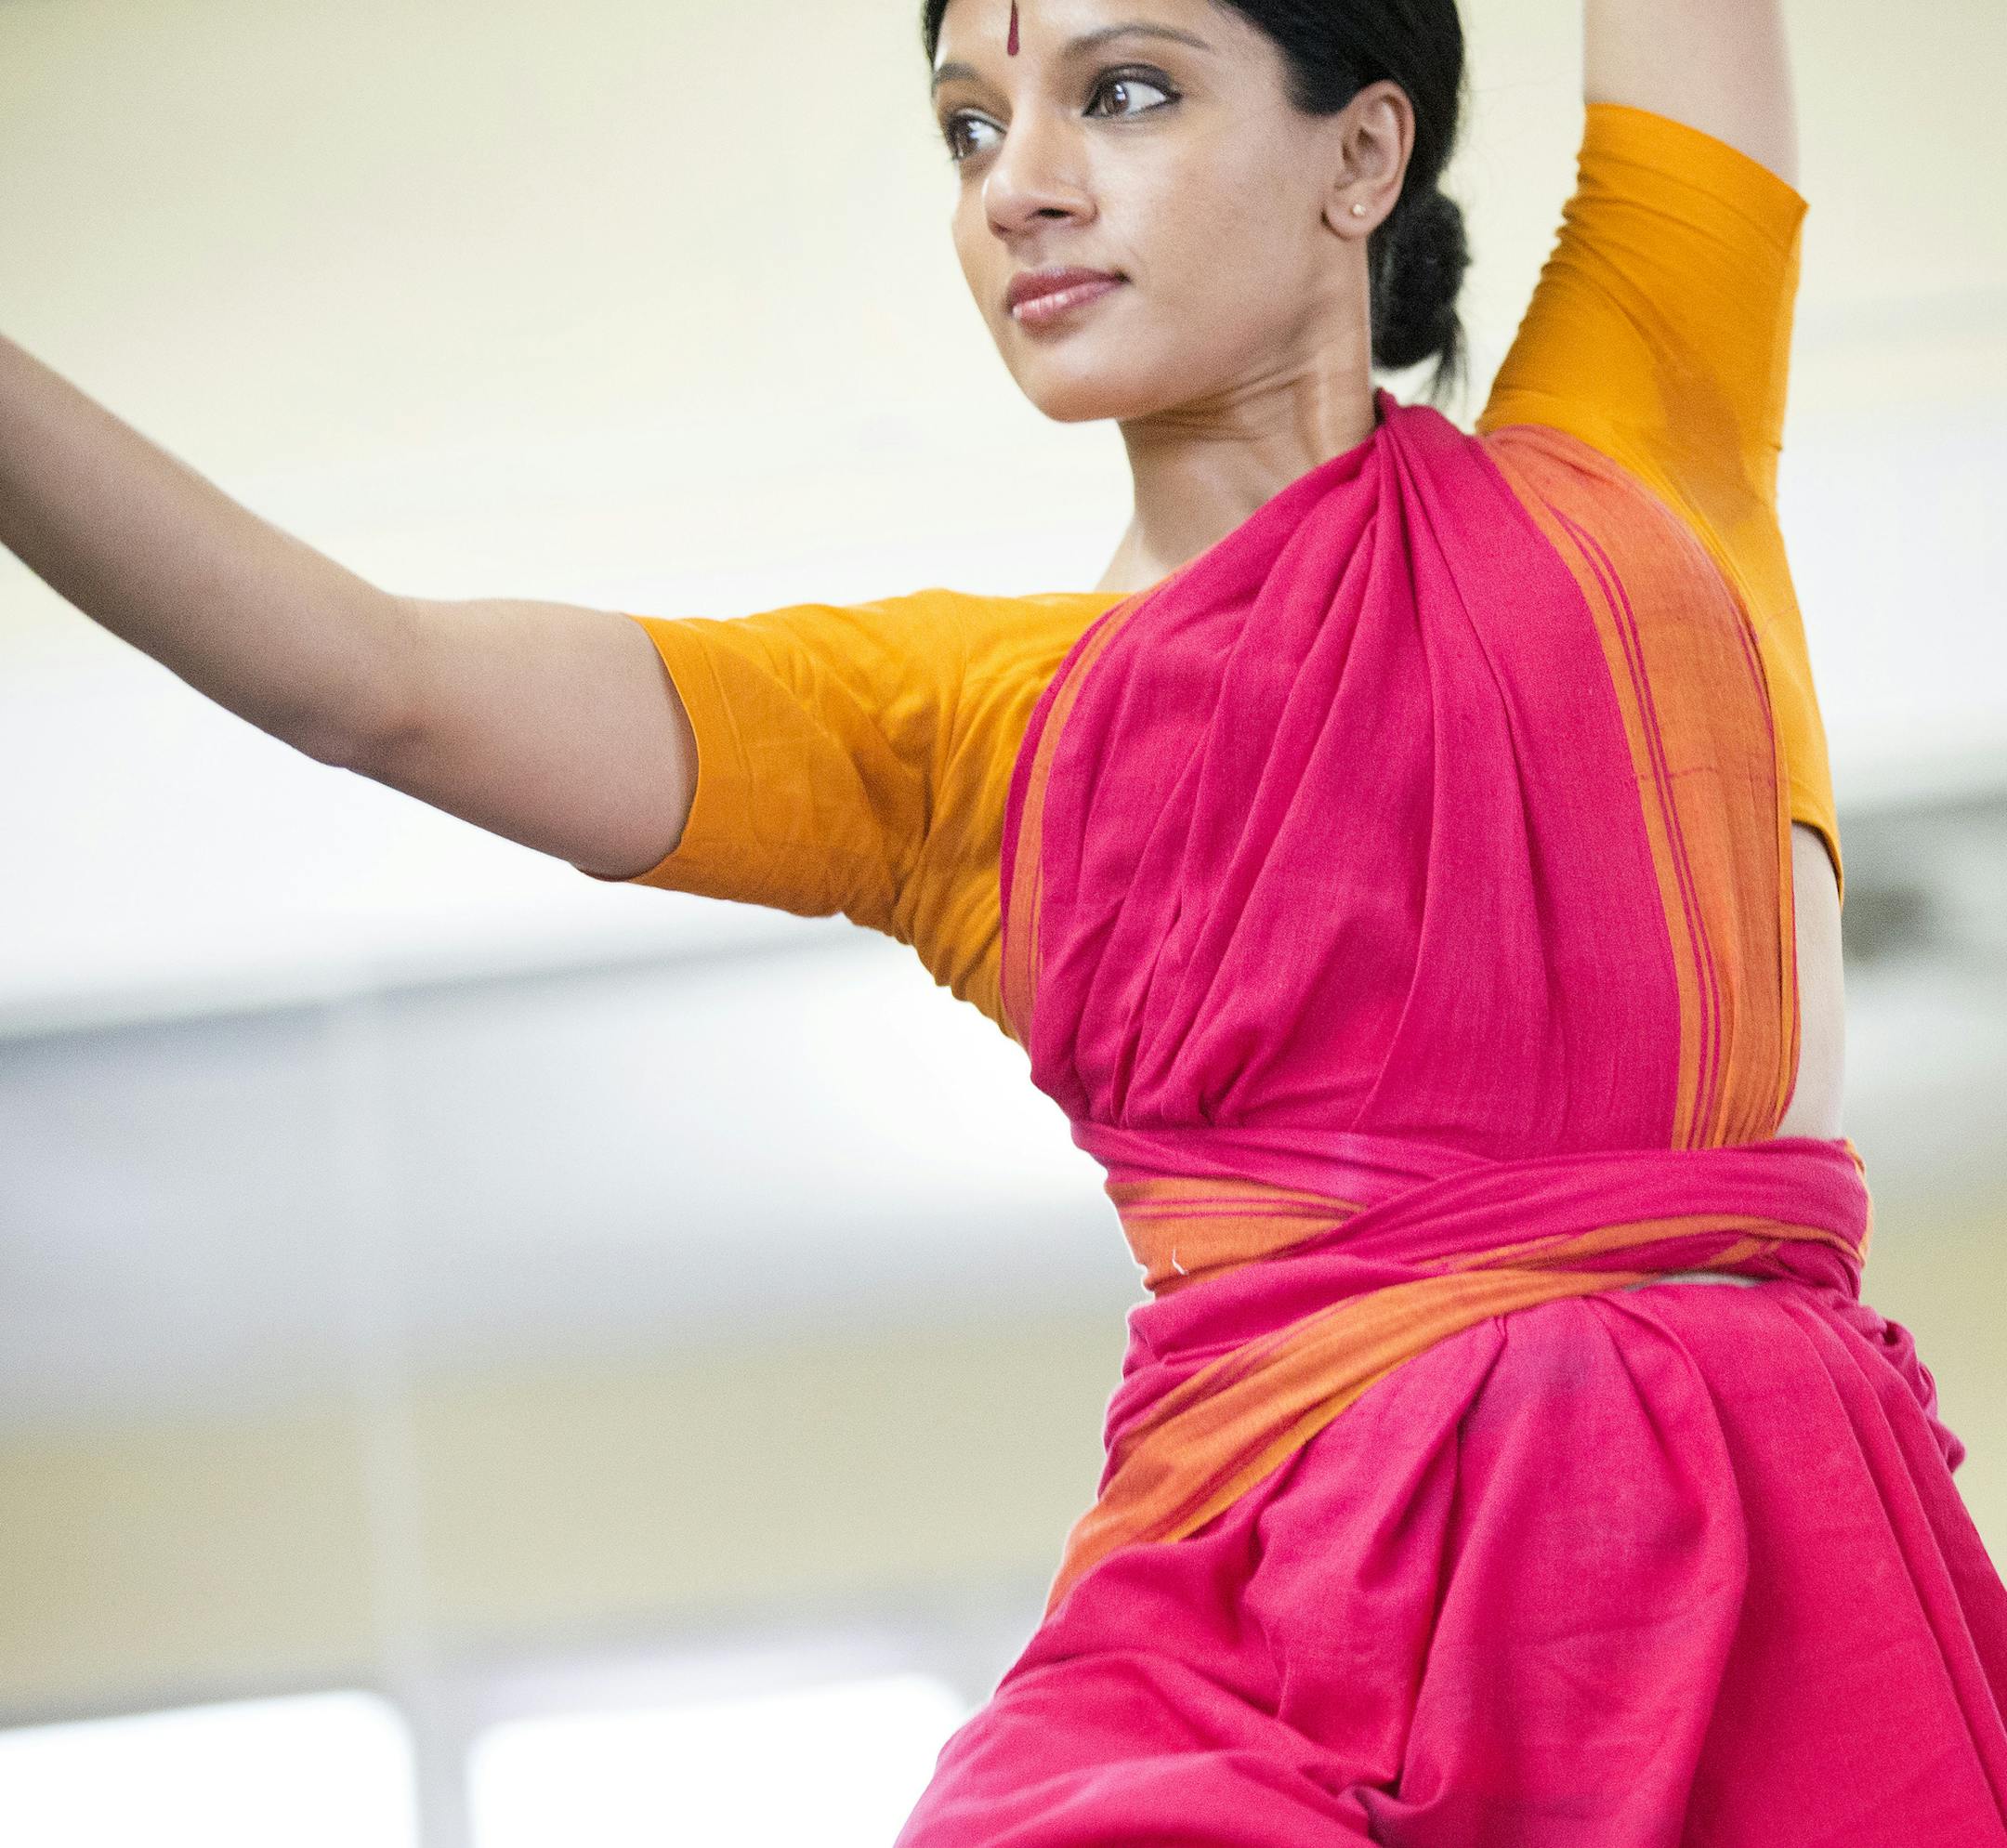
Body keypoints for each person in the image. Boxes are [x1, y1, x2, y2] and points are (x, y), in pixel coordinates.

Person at [1, 0, 2003, 1840]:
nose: (1017, 182)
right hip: (1266, 1652)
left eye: (1120, 93)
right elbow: (376, 680)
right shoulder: (958, 733)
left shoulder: (1637, 433)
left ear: (1365, 157)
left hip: (1768, 1594)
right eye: (967, 128)